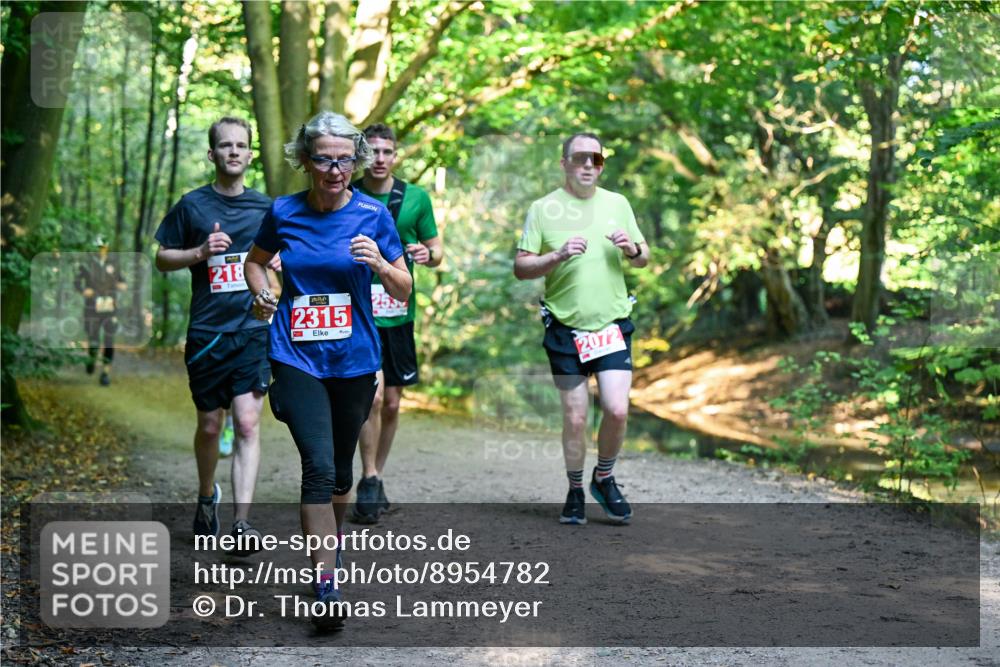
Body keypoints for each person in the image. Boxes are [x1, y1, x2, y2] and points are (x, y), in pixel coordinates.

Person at [245, 111, 410, 630]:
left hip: (355, 359)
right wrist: (262, 291)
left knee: (341, 473)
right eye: (325, 159)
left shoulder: (372, 215)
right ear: (305, 161)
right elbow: (255, 261)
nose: (336, 169)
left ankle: (329, 557)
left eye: (345, 160)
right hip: (295, 354)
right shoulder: (284, 212)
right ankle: (325, 583)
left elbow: (404, 288)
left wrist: (381, 266)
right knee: (316, 465)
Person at [154, 117, 280, 549]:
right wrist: (199, 252)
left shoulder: (267, 209)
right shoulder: (192, 206)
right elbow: (162, 258)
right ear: (212, 154)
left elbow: (281, 260)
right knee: (211, 426)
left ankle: (242, 522)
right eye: (224, 145)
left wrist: (278, 266)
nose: (232, 151)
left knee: (247, 423)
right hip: (208, 331)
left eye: (240, 145)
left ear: (250, 154)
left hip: (252, 328)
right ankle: (207, 494)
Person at [513, 132, 649, 525]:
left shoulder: (618, 204)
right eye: (580, 158)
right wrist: (556, 255)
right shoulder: (543, 209)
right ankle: (575, 489)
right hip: (565, 327)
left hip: (611, 324)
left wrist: (632, 249)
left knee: (617, 408)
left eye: (597, 159)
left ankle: (603, 478)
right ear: (565, 164)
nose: (589, 165)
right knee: (575, 418)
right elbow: (522, 267)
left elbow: (643, 258)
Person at [351, 123, 443, 524]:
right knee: (370, 397)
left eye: (387, 151)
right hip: (357, 309)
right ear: (362, 154)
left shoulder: (416, 198)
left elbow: (437, 250)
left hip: (399, 311)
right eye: (372, 151)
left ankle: (377, 474)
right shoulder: (347, 194)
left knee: (391, 402)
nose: (380, 159)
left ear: (396, 154)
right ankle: (368, 476)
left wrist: (427, 253)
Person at [75, 238, 126, 386]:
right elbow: (77, 282)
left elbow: (123, 283)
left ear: (107, 248)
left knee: (109, 340)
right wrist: (84, 291)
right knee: (94, 338)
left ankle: (105, 372)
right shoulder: (87, 265)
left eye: (103, 247)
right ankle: (91, 359)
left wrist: (119, 286)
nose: (101, 250)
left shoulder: (114, 264)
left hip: (110, 306)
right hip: (92, 307)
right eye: (98, 247)